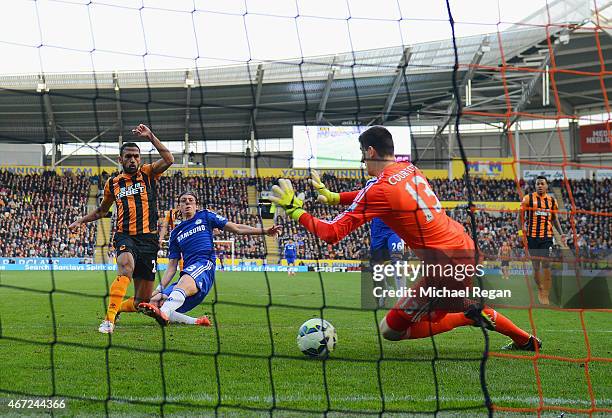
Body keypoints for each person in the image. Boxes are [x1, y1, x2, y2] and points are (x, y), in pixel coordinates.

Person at [271, 126, 540, 351]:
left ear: (370, 151)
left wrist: (295, 210)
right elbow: (376, 192)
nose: (362, 161)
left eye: (362, 155)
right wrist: (333, 197)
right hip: (459, 247)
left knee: (416, 322)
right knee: (404, 323)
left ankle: (478, 318)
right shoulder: (409, 168)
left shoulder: (379, 189)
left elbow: (331, 233)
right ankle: (509, 333)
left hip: (446, 266)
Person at [69, 124, 174, 334]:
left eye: (136, 156)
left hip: (149, 240)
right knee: (125, 266)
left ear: (140, 158)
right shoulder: (113, 183)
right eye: (128, 156)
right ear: (120, 159)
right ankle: (108, 320)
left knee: (141, 302)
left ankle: (118, 309)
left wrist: (150, 136)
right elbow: (102, 211)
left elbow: (169, 159)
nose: (132, 160)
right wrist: (81, 221)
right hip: (125, 236)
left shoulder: (149, 173)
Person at [138, 191, 281, 326]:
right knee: (154, 301)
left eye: (191, 201)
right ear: (179, 207)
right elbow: (171, 267)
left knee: (178, 288)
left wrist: (265, 231)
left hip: (204, 265)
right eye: (183, 201)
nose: (187, 203)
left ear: (196, 205)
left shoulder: (205, 216)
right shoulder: (175, 233)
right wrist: (159, 289)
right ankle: (196, 321)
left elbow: (236, 228)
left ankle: (164, 313)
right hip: (188, 273)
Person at [518, 176, 564, 305]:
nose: (539, 186)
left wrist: (561, 234)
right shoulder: (528, 199)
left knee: (546, 264)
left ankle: (545, 294)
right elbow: (519, 218)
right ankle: (540, 288)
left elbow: (554, 219)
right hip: (532, 238)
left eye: (542, 183)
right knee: (536, 266)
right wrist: (521, 233)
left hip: (547, 237)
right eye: (537, 183)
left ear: (546, 186)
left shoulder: (552, 201)